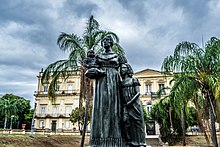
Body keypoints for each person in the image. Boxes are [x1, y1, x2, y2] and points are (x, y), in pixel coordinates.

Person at [85, 36, 126, 146]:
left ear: (111, 43)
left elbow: (125, 71)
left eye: (107, 40)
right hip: (102, 82)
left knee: (114, 108)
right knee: (102, 108)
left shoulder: (118, 56)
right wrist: (97, 71)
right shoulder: (98, 57)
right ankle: (99, 140)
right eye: (103, 41)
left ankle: (116, 140)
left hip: (114, 83)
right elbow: (91, 71)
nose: (105, 42)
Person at [121, 63, 146, 147]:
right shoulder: (121, 82)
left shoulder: (134, 80)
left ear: (128, 69)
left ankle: (140, 142)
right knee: (126, 122)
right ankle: (129, 140)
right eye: (121, 68)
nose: (122, 69)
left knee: (138, 123)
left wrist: (130, 102)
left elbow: (138, 93)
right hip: (126, 106)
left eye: (124, 68)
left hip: (135, 105)